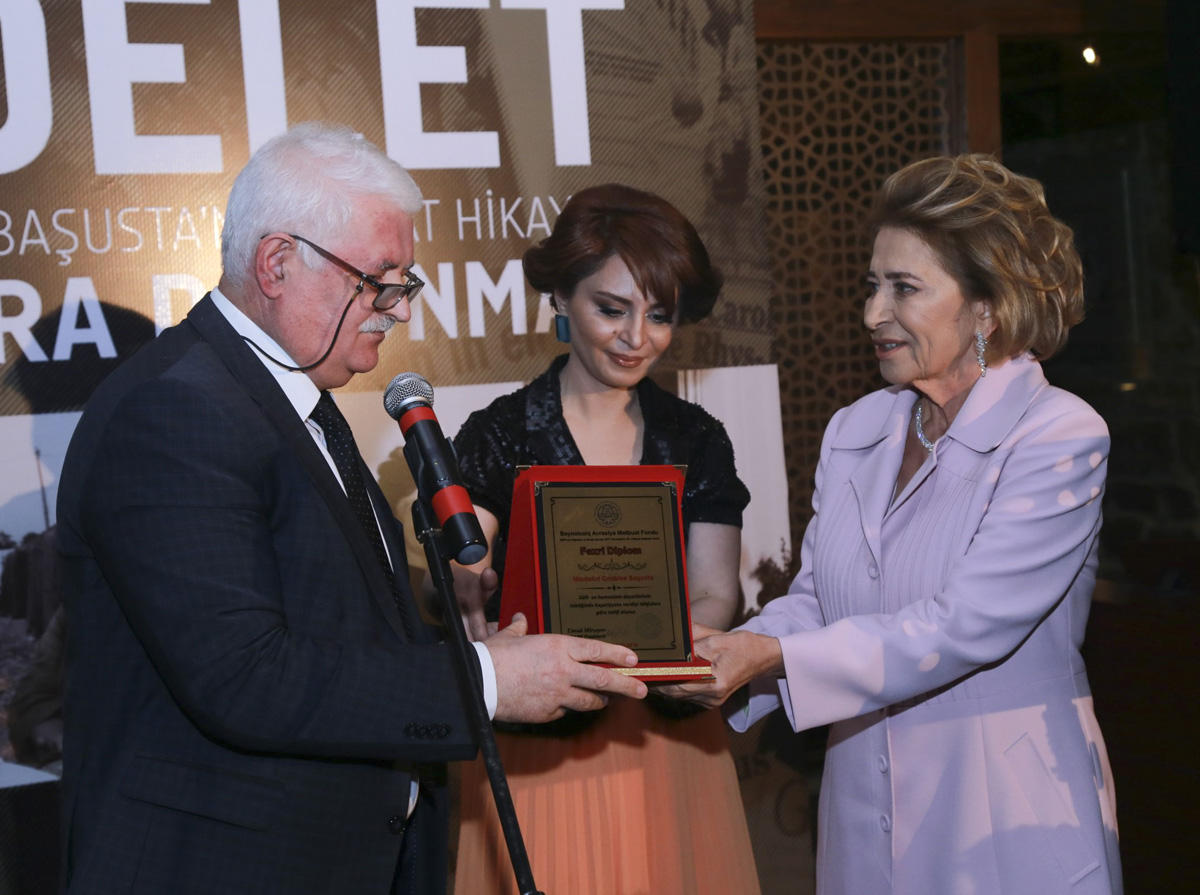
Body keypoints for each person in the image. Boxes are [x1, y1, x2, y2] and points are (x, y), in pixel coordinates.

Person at [55, 122, 646, 895]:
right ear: (277, 263)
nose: (398, 310)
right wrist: (483, 680)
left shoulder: (292, 395)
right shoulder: (174, 410)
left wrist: (470, 646)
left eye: (405, 282)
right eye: (378, 280)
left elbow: (337, 625)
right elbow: (246, 676)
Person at [662, 154, 1123, 894]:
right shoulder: (856, 428)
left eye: (904, 287)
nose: (873, 313)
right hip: (861, 815)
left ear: (987, 307)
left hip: (1004, 820)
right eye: (871, 285)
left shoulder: (1058, 435)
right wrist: (715, 649)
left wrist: (768, 654)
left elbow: (962, 625)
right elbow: (819, 600)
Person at [449, 183, 761, 894]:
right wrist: (467, 581)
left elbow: (716, 591)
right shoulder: (501, 433)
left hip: (669, 744)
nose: (636, 338)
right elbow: (472, 554)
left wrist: (674, 648)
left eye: (660, 315)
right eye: (612, 309)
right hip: (539, 752)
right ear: (561, 296)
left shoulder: (697, 438)